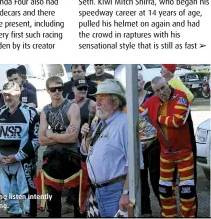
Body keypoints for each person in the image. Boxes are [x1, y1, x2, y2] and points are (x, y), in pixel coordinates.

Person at [79, 79, 143, 217]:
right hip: (98, 190)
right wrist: (87, 136)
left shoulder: (125, 124)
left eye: (102, 98)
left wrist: (126, 193)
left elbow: (135, 164)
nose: (98, 103)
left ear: (115, 103)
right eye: (97, 98)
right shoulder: (100, 123)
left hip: (116, 192)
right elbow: (86, 152)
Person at [139, 76, 197, 217]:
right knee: (164, 191)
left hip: (184, 153)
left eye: (163, 87)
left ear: (167, 84)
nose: (161, 92)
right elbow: (135, 115)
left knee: (187, 191)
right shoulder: (151, 101)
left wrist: (157, 119)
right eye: (157, 90)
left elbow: (178, 121)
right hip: (165, 153)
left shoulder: (180, 96)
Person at [34, 76, 86, 217]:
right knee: (52, 204)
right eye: (53, 89)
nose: (57, 91)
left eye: (60, 88)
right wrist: (62, 136)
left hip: (71, 157)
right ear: (47, 90)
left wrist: (51, 134)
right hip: (51, 159)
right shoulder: (45, 110)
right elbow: (41, 140)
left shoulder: (72, 106)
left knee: (78, 201)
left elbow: (72, 138)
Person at [0, 81, 40, 217]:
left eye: (10, 94)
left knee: (27, 194)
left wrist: (18, 156)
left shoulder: (30, 112)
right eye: (4, 94)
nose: (7, 97)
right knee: (8, 195)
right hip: (4, 162)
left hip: (23, 162)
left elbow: (36, 139)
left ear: (18, 93)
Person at [137, 72, 161, 217]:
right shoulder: (129, 99)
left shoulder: (152, 97)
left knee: (156, 179)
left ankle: (166, 209)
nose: (136, 83)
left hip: (154, 146)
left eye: (138, 80)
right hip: (137, 147)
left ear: (143, 81)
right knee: (141, 181)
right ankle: (146, 212)